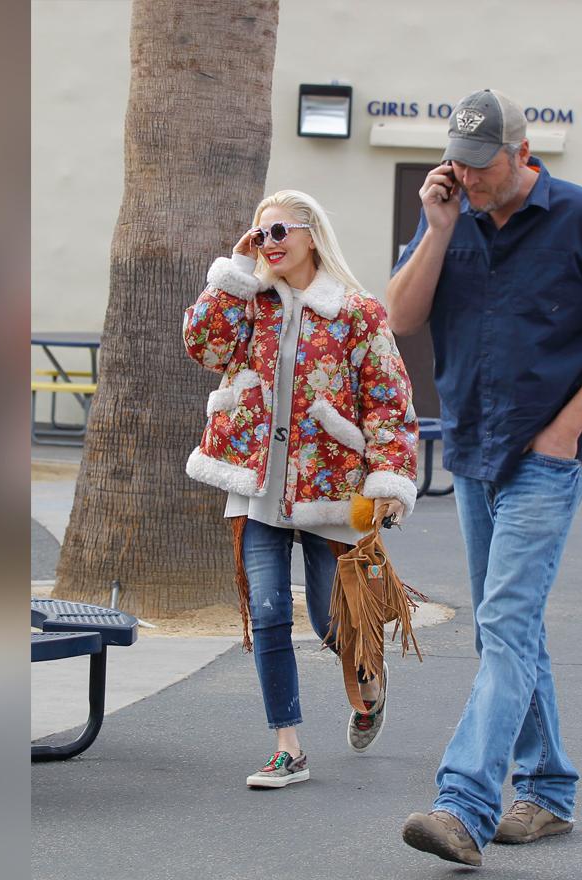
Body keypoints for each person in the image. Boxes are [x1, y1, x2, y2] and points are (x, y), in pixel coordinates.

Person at [387, 91, 582, 865]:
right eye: (458, 164)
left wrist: (567, 429)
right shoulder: (448, 215)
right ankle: (550, 789)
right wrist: (437, 231)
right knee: (509, 628)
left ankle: (463, 804)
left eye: (482, 165)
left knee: (503, 625)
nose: (468, 179)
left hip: (547, 456)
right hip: (472, 449)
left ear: (521, 150)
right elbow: (400, 317)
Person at [182, 189, 419, 789]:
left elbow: (389, 403)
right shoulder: (250, 303)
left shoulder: (358, 312)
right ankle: (288, 748)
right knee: (266, 613)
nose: (271, 244)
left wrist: (389, 477)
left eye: (282, 231)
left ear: (312, 235)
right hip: (257, 487)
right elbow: (202, 347)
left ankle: (368, 685)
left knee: (328, 619)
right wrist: (234, 275)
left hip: (330, 489)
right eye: (261, 234)